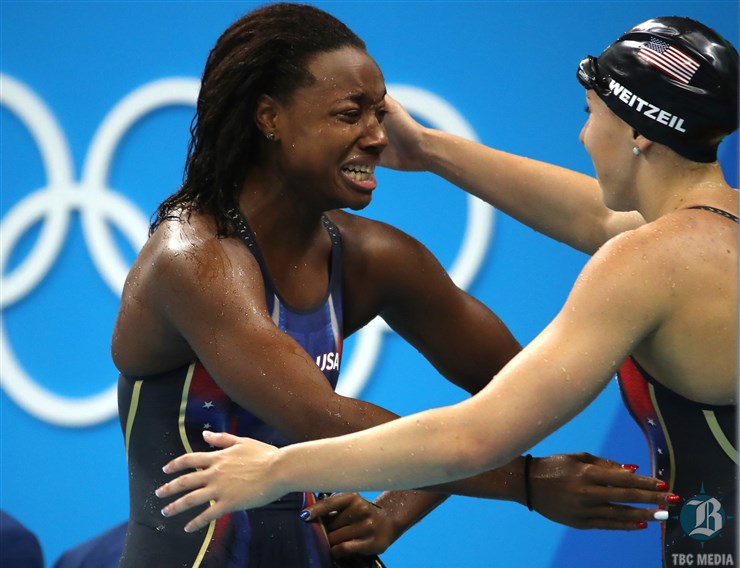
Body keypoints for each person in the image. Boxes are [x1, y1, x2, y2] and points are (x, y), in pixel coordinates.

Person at [154, 15, 738, 568]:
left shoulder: (649, 259)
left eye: (589, 112)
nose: (583, 135)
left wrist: (279, 470)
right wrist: (428, 149)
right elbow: (598, 220)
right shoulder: (701, 235)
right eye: (350, 113)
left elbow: (478, 432)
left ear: (639, 131)